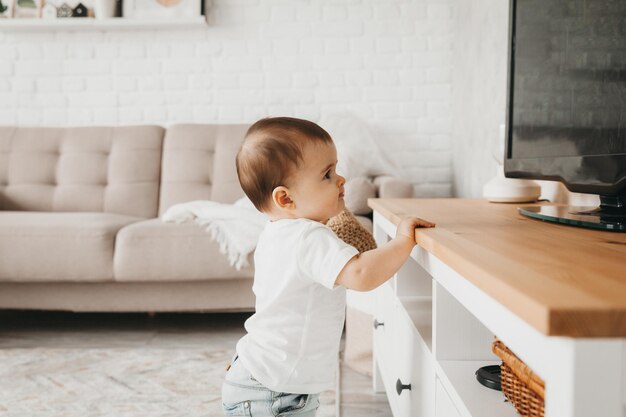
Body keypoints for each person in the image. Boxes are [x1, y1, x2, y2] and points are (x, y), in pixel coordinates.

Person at [222, 116, 435, 417]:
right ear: (285, 198)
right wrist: (402, 240)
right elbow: (361, 274)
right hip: (273, 393)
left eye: (335, 169)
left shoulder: (278, 231)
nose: (341, 180)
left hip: (268, 380)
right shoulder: (309, 237)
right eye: (326, 174)